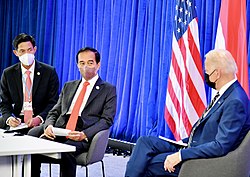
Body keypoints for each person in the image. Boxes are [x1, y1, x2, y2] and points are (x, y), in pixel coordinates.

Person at [125, 49, 250, 177]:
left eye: (206, 71)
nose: (205, 75)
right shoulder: (227, 94)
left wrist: (181, 155)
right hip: (191, 144)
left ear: (217, 74)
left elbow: (220, 146)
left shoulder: (235, 101)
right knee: (145, 142)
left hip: (203, 159)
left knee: (150, 163)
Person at [29, 47, 117, 177]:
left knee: (67, 150)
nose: (85, 66)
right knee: (32, 138)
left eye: (90, 62)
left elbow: (107, 120)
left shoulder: (108, 89)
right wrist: (48, 126)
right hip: (61, 129)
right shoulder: (69, 86)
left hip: (82, 132)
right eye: (82, 63)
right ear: (77, 65)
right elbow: (55, 111)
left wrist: (84, 134)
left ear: (98, 65)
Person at [0, 33, 59, 131]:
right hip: (17, 120)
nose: (26, 54)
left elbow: (53, 102)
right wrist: (9, 118)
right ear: (16, 53)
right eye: (22, 51)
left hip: (39, 121)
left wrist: (39, 118)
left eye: (29, 50)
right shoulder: (8, 73)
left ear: (35, 50)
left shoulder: (49, 72)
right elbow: (4, 103)